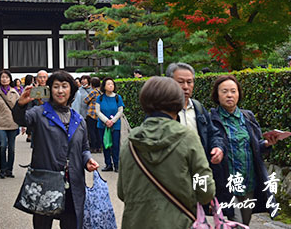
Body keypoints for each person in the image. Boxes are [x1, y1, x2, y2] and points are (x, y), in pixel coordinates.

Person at [118, 77, 215, 229]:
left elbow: (122, 193)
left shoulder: (130, 143)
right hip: (180, 222)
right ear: (177, 103)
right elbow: (204, 189)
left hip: (136, 222)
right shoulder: (187, 138)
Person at [13, 70, 99, 229]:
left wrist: (88, 160)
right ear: (49, 90)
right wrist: (20, 104)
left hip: (72, 184)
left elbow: (84, 148)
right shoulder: (39, 113)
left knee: (71, 223)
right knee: (43, 224)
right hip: (46, 181)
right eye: (56, 87)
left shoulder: (78, 120)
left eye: (64, 86)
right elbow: (21, 119)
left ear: (71, 90)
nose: (60, 91)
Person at [208, 75, 277, 225]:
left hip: (248, 181)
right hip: (226, 183)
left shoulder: (247, 117)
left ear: (239, 93)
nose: (229, 95)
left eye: (233, 91)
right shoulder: (211, 119)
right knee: (237, 222)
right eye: (224, 91)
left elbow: (256, 147)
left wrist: (266, 143)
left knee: (245, 222)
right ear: (217, 95)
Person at [166, 62, 225, 166]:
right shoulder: (162, 110)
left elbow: (213, 134)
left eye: (189, 82)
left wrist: (217, 147)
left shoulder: (198, 108)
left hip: (199, 168)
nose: (185, 87)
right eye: (180, 82)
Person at [0, 70, 20, 179]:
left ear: (10, 79)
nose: (4, 79)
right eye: (2, 77)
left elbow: (20, 109)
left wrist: (23, 124)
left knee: (11, 148)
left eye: (6, 77)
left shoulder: (15, 93)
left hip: (13, 123)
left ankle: (9, 170)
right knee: (3, 145)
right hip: (0, 123)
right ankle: (2, 169)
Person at [95, 77, 124, 172]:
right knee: (105, 144)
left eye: (112, 84)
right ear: (104, 86)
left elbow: (120, 111)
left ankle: (117, 164)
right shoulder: (100, 98)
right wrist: (106, 121)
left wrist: (112, 121)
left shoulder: (117, 97)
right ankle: (108, 164)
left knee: (115, 145)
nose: (111, 86)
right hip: (102, 125)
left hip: (115, 125)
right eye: (108, 84)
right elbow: (98, 111)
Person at [83, 77, 102, 153]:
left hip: (92, 114)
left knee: (92, 131)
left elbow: (85, 100)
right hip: (100, 114)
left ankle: (93, 147)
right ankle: (99, 147)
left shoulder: (93, 92)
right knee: (98, 131)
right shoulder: (102, 92)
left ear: (92, 84)